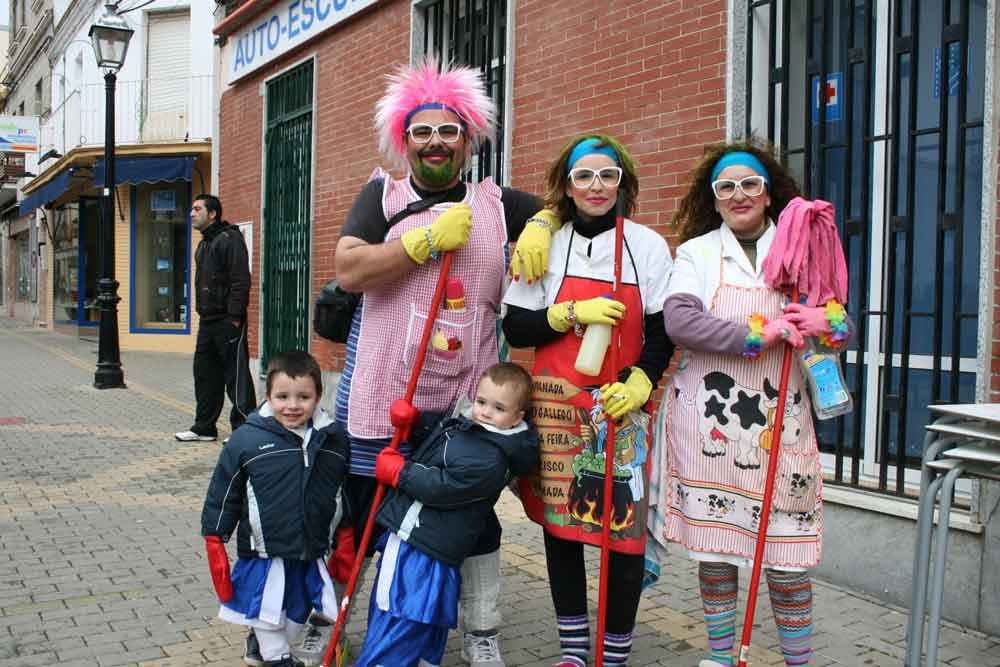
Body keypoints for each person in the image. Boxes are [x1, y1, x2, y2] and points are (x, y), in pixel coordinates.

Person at [315, 58, 559, 667]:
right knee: (363, 518)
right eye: (422, 132)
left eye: (448, 131)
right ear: (406, 140)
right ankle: (333, 619)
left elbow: (572, 205)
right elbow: (348, 267)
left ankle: (480, 632)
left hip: (466, 409)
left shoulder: (498, 203)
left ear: (467, 140)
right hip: (381, 398)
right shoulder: (383, 194)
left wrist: (543, 225)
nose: (435, 142)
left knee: (473, 523)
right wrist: (422, 243)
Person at [651, 141, 849, 667]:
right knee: (716, 556)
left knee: (787, 561)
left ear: (769, 194)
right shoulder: (696, 253)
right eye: (726, 187)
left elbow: (841, 326)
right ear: (713, 199)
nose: (739, 195)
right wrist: (763, 332)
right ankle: (720, 657)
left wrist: (823, 324)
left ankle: (797, 661)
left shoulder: (802, 248)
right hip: (710, 433)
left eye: (750, 184)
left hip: (782, 429)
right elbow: (682, 323)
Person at [502, 134, 674, 667]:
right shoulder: (548, 245)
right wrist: (568, 314)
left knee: (624, 535)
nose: (597, 186)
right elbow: (517, 325)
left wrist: (643, 379)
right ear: (567, 186)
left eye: (608, 175)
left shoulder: (645, 245)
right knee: (564, 529)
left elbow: (662, 329)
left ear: (623, 183)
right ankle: (574, 651)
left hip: (622, 408)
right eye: (585, 176)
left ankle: (615, 653)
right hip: (558, 407)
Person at [354, 362, 539, 667]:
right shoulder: (467, 427)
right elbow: (437, 438)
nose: (484, 412)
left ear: (518, 417)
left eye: (498, 407)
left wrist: (400, 473)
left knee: (402, 614)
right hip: (421, 537)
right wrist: (414, 423)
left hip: (424, 542)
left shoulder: (493, 458)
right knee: (422, 617)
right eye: (481, 401)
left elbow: (442, 487)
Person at [201, 349, 348, 667]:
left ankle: (263, 640)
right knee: (266, 614)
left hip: (309, 550)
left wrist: (344, 535)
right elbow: (224, 493)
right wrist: (215, 538)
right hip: (263, 552)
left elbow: (339, 492)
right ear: (268, 395)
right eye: (282, 396)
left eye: (303, 397)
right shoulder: (246, 440)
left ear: (319, 396)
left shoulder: (334, 440)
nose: (293, 405)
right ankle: (277, 658)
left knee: (295, 614)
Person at [175, 194, 257, 443]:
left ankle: (244, 429)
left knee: (236, 375)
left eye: (197, 209)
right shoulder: (204, 244)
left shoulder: (229, 239)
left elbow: (241, 280)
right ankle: (204, 427)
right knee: (204, 373)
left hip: (227, 321)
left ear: (212, 214)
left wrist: (234, 317)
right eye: (191, 208)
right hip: (207, 321)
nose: (192, 213)